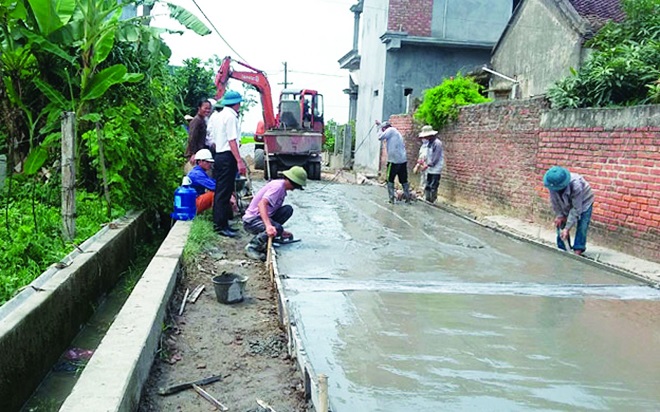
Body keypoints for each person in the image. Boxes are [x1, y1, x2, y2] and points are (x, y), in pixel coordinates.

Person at [242, 166, 307, 260]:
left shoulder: (282, 188)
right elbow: (261, 205)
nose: (294, 189)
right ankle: (253, 247)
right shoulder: (278, 187)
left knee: (287, 210)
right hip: (252, 221)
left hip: (262, 217)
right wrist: (269, 226)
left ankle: (272, 235)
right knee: (278, 228)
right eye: (295, 186)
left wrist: (280, 232)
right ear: (290, 181)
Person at [209, 90, 247, 237]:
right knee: (223, 192)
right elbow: (232, 141)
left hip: (220, 155)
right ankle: (220, 225)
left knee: (222, 191)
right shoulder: (231, 117)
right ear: (237, 104)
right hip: (227, 156)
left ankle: (223, 224)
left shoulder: (219, 116)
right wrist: (239, 161)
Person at [543, 166, 594, 256]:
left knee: (582, 224)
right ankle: (563, 248)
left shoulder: (576, 185)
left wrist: (567, 228)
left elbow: (576, 209)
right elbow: (555, 202)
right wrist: (560, 215)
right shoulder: (552, 185)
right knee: (560, 222)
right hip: (566, 201)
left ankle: (578, 249)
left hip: (584, 201)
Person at [375, 120, 410, 203]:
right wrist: (380, 125)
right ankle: (407, 198)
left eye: (383, 129)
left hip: (393, 161)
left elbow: (380, 137)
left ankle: (391, 199)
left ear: (385, 128)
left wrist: (378, 128)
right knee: (403, 180)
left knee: (390, 179)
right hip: (402, 160)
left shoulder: (390, 130)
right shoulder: (396, 132)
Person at [184, 99, 212, 173]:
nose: (207, 110)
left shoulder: (203, 120)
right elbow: (192, 138)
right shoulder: (196, 121)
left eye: (209, 108)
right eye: (205, 108)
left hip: (199, 153)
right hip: (194, 155)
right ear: (199, 108)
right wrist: (193, 154)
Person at [418, 125, 444, 203]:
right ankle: (427, 199)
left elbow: (436, 157)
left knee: (433, 185)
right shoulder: (429, 143)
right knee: (428, 184)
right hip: (429, 168)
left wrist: (428, 164)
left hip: (436, 168)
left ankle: (432, 200)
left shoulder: (437, 143)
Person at [186, 149, 216, 213]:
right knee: (215, 194)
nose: (209, 164)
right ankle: (217, 216)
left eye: (210, 162)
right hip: (192, 204)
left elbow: (212, 182)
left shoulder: (199, 172)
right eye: (207, 162)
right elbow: (213, 186)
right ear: (199, 162)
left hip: (192, 203)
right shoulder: (197, 174)